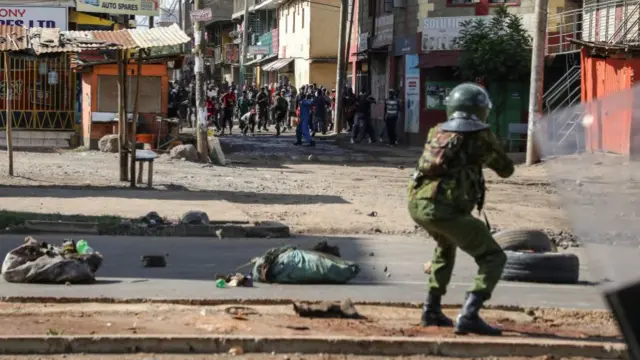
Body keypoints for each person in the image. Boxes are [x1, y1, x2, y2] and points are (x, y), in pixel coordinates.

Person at [407, 83, 514, 336]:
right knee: (493, 257)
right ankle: (470, 313)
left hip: (417, 203)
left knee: (445, 247)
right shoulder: (481, 135)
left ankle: (431, 309)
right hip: (445, 210)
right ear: (480, 110)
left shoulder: (437, 131)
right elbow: (506, 169)